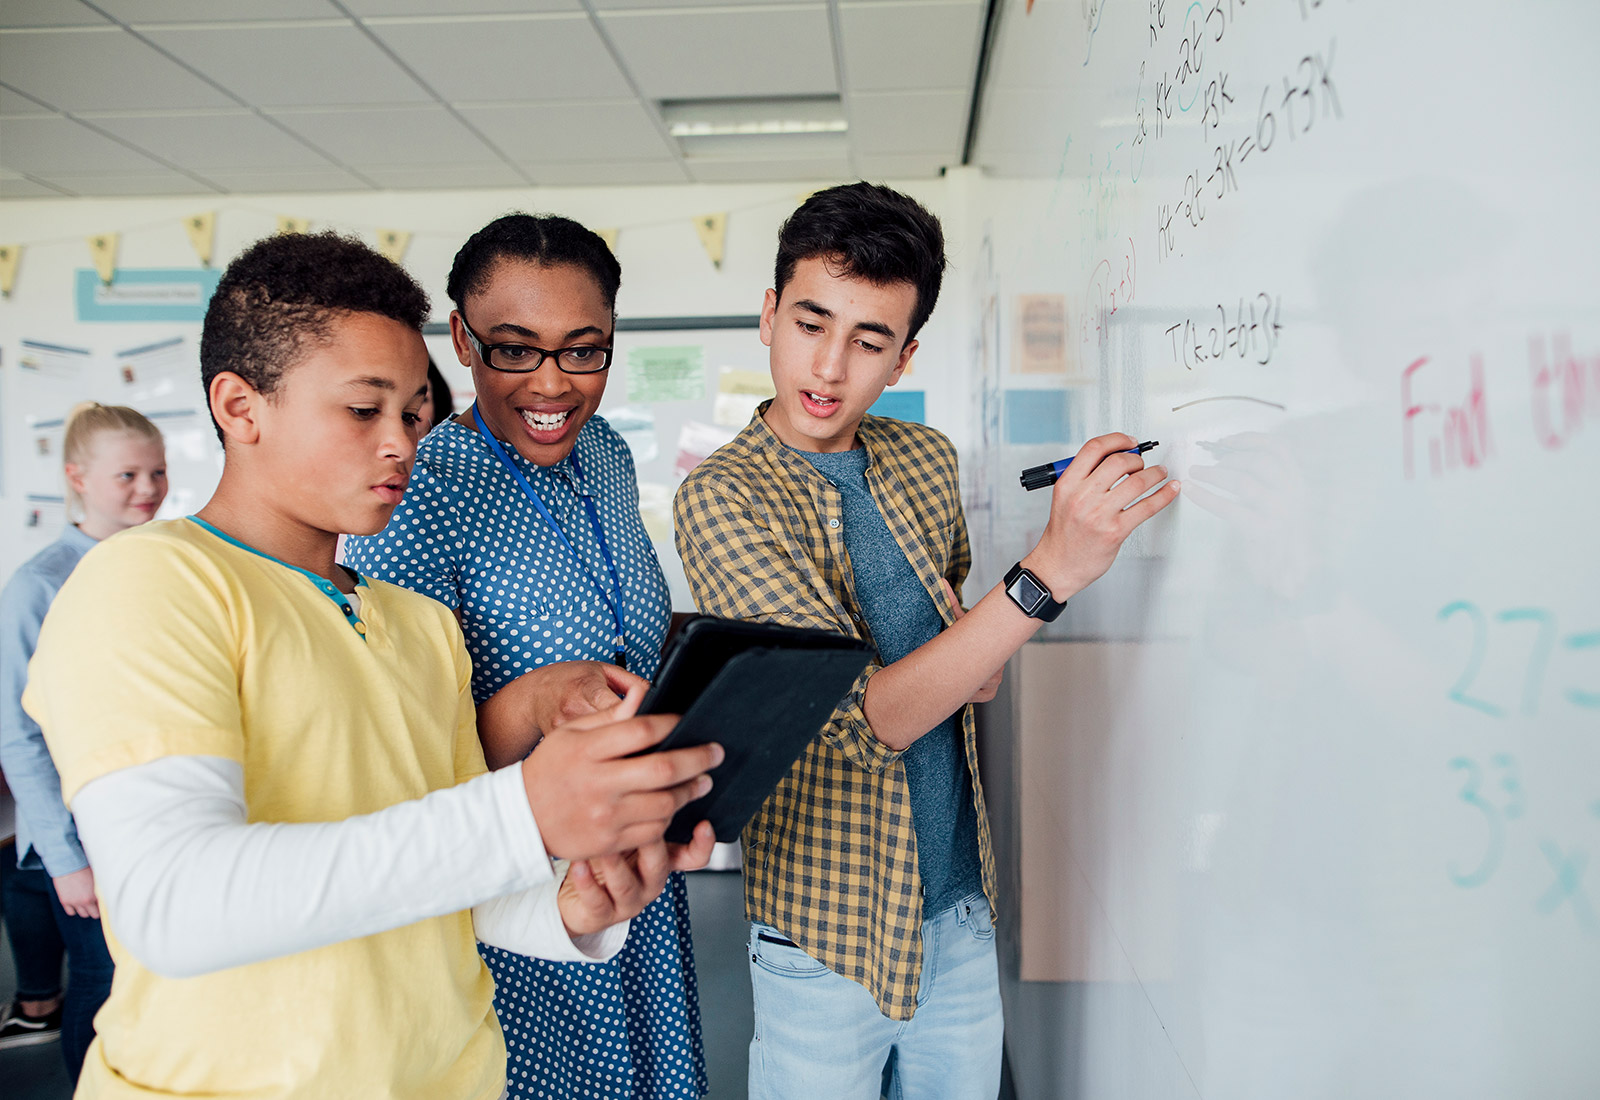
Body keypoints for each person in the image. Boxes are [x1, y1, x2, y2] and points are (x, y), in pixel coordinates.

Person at [22, 231, 719, 1099]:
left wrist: (569, 906)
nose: (401, 443)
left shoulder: (418, 626)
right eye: (364, 410)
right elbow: (174, 903)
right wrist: (527, 809)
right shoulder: (151, 583)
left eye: (415, 413)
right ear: (241, 408)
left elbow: (451, 877)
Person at [672, 182, 1181, 1099]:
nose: (828, 366)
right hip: (826, 929)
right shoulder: (723, 496)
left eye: (868, 341)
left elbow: (965, 671)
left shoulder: (924, 458)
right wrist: (1047, 574)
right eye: (810, 322)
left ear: (903, 357)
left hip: (958, 905)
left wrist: (973, 650)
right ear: (767, 315)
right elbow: (861, 721)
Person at [345, 213, 707, 1100]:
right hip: (514, 888)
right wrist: (537, 699)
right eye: (516, 349)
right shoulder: (417, 486)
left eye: (585, 351)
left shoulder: (611, 457)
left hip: (634, 864)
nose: (554, 383)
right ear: (463, 342)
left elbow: (620, 631)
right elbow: (399, 758)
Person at [0, 401, 166, 1080]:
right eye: (127, 474)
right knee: (101, 987)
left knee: (147, 986)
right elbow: (20, 736)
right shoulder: (39, 585)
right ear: (77, 477)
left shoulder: (163, 563)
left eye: (157, 472)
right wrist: (66, 859)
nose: (148, 489)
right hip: (79, 840)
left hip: (147, 819)